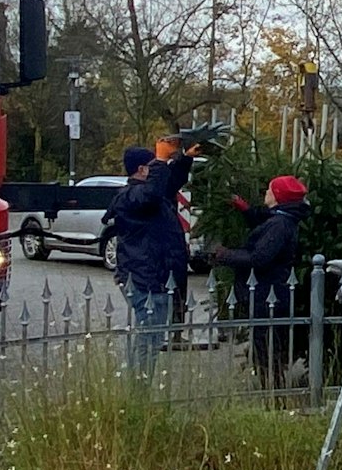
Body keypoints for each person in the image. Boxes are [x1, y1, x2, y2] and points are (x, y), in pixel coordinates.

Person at [100, 137, 196, 372]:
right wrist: (161, 160)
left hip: (155, 277)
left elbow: (168, 184)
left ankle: (139, 383)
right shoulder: (131, 196)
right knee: (149, 338)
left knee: (152, 337)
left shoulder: (150, 194)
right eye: (152, 166)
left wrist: (185, 159)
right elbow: (152, 194)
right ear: (143, 169)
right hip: (145, 280)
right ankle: (138, 386)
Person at [215, 176, 310, 392]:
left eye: (270, 190)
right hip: (269, 293)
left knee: (267, 350)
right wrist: (245, 210)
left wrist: (226, 255)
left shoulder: (279, 225)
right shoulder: (280, 218)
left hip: (268, 294)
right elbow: (262, 221)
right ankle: (273, 391)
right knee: (267, 348)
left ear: (278, 196)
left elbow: (260, 257)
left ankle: (274, 394)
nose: (266, 192)